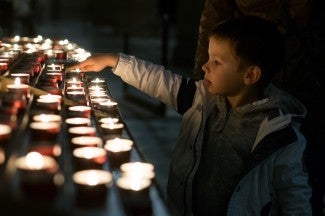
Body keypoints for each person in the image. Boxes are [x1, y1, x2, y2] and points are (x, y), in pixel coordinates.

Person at [68, 16, 312, 215]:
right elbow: (158, 80)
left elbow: (294, 195)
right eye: (208, 57)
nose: (205, 66)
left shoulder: (280, 135)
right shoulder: (202, 99)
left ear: (250, 75)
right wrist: (114, 60)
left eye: (216, 61)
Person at [194, 1, 325, 214]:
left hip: (309, 85)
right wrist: (203, 91)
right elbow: (216, 13)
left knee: (302, 179)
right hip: (248, 75)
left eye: (214, 61)